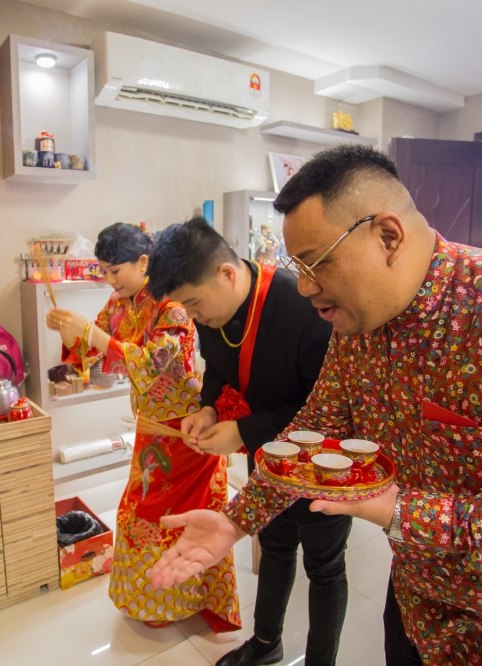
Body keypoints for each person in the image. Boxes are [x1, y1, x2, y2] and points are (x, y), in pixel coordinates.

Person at [148, 146, 482, 664]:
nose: (303, 287)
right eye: (295, 266)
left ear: (387, 236)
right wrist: (237, 519)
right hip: (420, 609)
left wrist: (404, 513)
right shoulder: (358, 325)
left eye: (316, 263)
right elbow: (314, 431)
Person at [147, 218, 342, 666]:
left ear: (227, 274)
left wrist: (244, 430)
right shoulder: (212, 311)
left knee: (324, 567)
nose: (194, 319)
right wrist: (210, 408)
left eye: (194, 305)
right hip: (266, 453)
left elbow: (328, 408)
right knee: (273, 545)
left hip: (320, 458)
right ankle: (266, 644)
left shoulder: (299, 305)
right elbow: (216, 366)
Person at [44, 222, 241, 633]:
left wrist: (92, 334)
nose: (109, 280)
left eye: (115, 270)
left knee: (174, 517)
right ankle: (153, 599)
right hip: (152, 427)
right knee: (138, 514)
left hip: (187, 429)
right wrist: (71, 333)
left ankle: (185, 599)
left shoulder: (172, 305)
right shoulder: (119, 305)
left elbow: (152, 364)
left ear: (144, 262)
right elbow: (98, 356)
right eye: (104, 271)